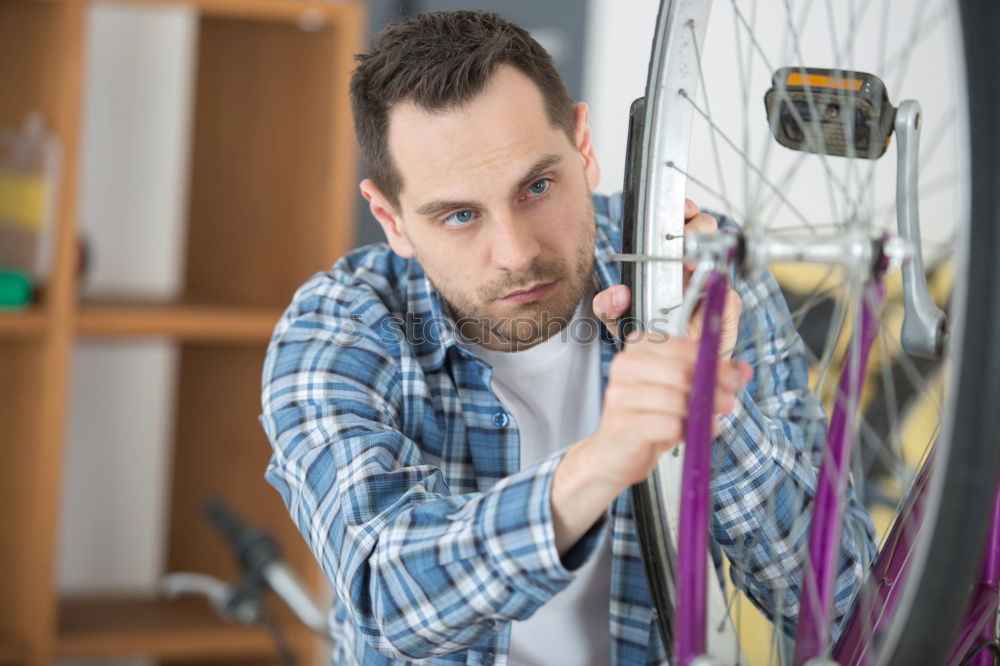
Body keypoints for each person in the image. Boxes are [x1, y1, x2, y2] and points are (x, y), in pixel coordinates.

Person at [259, 10, 876, 665]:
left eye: (537, 186)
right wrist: (607, 458)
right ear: (392, 220)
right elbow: (386, 594)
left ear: (583, 145)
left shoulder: (698, 273)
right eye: (461, 215)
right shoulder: (339, 327)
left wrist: (713, 413)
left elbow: (844, 600)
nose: (515, 252)